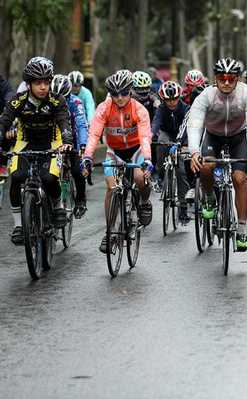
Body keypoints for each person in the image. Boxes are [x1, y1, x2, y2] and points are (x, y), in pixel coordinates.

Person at [187, 57, 247, 251]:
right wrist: (194, 151)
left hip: (239, 137)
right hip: (213, 136)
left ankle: (242, 231)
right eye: (222, 78)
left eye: (231, 78)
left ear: (237, 79)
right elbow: (195, 125)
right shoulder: (206, 96)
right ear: (216, 79)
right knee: (206, 166)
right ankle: (210, 197)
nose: (227, 82)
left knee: (239, 178)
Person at [0, 57, 73, 245]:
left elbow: (64, 122)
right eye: (37, 83)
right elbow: (4, 121)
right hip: (25, 143)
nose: (43, 87)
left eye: (46, 82)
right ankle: (18, 225)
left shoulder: (57, 100)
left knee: (49, 178)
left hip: (52, 142)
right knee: (16, 177)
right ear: (29, 84)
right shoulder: (19, 101)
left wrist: (66, 142)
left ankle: (57, 206)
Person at [81, 70, 154, 253]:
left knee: (139, 178)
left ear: (130, 91)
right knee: (112, 188)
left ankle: (144, 201)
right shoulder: (104, 108)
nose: (119, 98)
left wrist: (147, 159)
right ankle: (111, 231)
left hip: (136, 150)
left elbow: (145, 136)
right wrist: (87, 157)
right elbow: (94, 135)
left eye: (123, 93)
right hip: (114, 152)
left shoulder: (139, 109)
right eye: (115, 94)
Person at [152, 80, 192, 223]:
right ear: (163, 99)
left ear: (179, 97)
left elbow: (187, 127)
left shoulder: (186, 108)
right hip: (167, 134)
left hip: (182, 137)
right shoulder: (161, 109)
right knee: (160, 143)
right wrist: (151, 135)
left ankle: (182, 207)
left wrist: (182, 144)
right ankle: (161, 176)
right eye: (168, 100)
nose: (172, 102)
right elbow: (156, 124)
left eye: (174, 99)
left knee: (181, 171)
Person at [50, 74, 89, 218]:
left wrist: (83, 145)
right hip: (52, 140)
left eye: (63, 97)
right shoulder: (45, 101)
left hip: (72, 139)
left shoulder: (76, 102)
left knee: (77, 171)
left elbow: (81, 125)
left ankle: (80, 200)